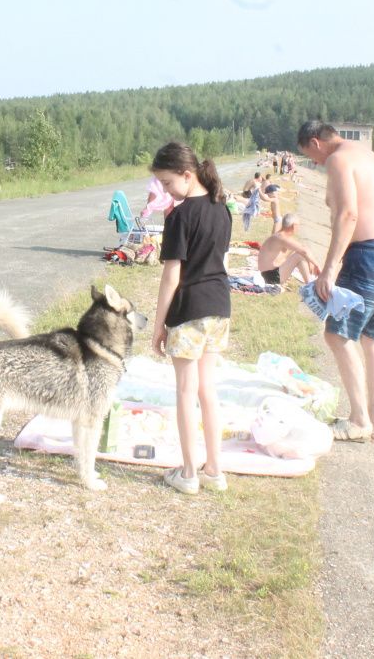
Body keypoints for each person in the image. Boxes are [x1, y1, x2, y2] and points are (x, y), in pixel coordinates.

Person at [298, 120, 374, 443]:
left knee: (337, 335)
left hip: (369, 255)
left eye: (311, 157)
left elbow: (348, 215)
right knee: (372, 341)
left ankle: (359, 420)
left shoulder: (337, 159)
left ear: (316, 143)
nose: (317, 165)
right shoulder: (368, 156)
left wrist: (330, 269)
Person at [150, 141, 232, 494]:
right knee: (207, 390)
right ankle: (214, 469)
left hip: (189, 309)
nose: (167, 192)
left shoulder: (181, 216)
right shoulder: (221, 208)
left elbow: (172, 276)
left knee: (185, 392)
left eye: (168, 184)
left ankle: (188, 473)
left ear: (187, 175)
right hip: (219, 306)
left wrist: (158, 326)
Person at [258, 213, 321, 288]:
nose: (299, 228)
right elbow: (304, 251)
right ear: (294, 226)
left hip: (268, 274)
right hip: (270, 277)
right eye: (299, 225)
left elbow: (302, 247)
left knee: (299, 253)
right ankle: (310, 286)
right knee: (299, 255)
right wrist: (317, 265)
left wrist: (309, 261)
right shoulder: (282, 237)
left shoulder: (280, 236)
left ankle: (310, 283)